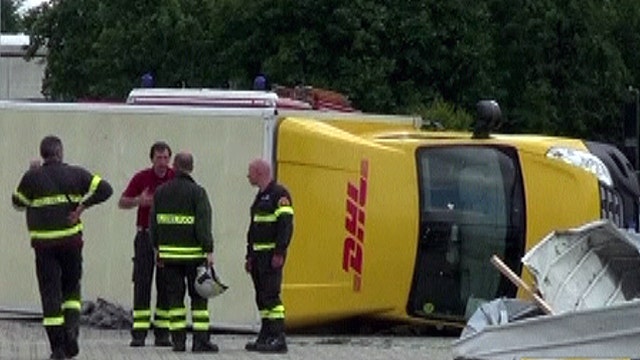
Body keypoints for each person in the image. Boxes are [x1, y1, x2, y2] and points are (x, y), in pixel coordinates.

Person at [11, 135, 113, 360]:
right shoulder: (76, 174)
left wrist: (30, 172)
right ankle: (72, 335)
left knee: (50, 294)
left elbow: (17, 202)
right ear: (60, 152)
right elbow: (106, 189)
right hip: (71, 243)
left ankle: (57, 347)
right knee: (71, 291)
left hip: (44, 245)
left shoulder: (32, 177)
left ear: (42, 154)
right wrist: (82, 207)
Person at [149, 152, 219, 353]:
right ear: (191, 167)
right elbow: (203, 225)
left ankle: (178, 342)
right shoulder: (198, 193)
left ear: (175, 166)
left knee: (175, 300)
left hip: (169, 256)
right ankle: (200, 342)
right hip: (194, 256)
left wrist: (158, 250)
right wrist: (208, 250)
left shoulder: (161, 192)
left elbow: (153, 225)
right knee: (199, 299)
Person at [118, 141, 174, 347]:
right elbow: (122, 202)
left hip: (168, 238)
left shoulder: (175, 178)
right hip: (145, 236)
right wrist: (138, 202)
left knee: (166, 284)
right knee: (142, 283)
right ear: (152, 159)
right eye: (159, 158)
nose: (162, 162)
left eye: (166, 158)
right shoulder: (142, 178)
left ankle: (162, 333)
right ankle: (139, 333)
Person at [244, 158, 294, 353]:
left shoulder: (279, 195)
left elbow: (285, 226)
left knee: (271, 297)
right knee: (262, 297)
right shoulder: (260, 196)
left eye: (250, 172)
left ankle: (278, 337)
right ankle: (265, 335)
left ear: (259, 172)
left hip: (271, 256)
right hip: (258, 256)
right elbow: (254, 228)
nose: (248, 176)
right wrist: (249, 255)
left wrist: (279, 251)